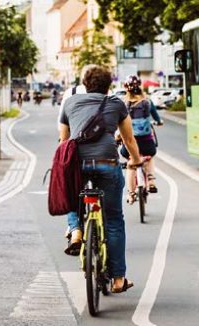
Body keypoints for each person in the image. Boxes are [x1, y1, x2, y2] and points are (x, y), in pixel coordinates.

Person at [59, 65, 141, 294]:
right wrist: (136, 161)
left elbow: (63, 141)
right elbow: (129, 141)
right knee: (114, 219)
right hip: (108, 163)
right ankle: (118, 279)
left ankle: (75, 229)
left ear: (85, 85)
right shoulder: (116, 104)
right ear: (109, 86)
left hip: (78, 165)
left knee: (71, 190)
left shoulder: (70, 103)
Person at [119, 75, 164, 202]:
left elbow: (118, 122)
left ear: (126, 89)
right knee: (149, 157)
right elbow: (156, 118)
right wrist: (159, 122)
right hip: (146, 142)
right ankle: (150, 181)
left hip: (129, 143)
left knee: (130, 164)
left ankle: (131, 194)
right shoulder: (147, 102)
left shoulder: (123, 104)